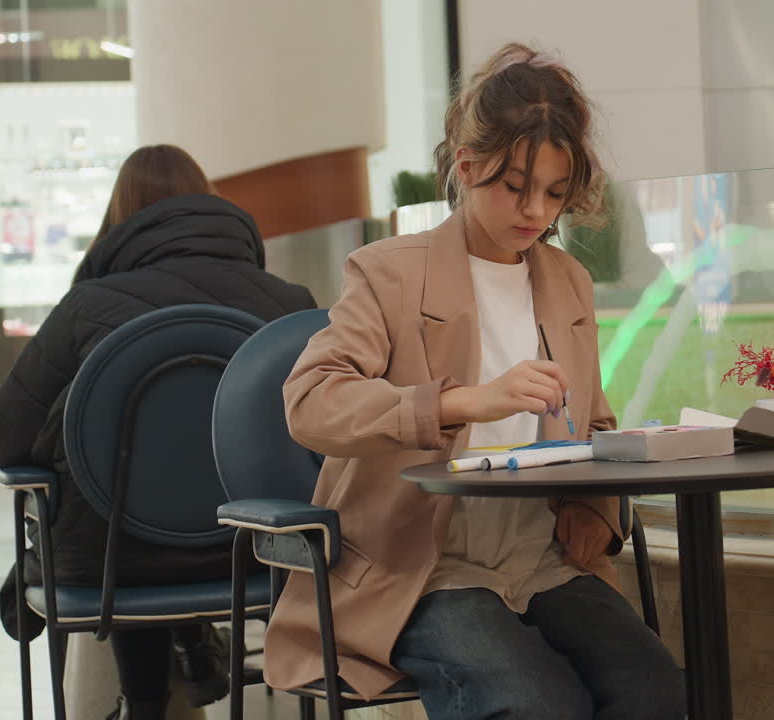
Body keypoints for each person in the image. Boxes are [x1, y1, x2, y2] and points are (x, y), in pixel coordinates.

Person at [262, 43, 687, 719]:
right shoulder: (387, 272)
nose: (535, 212)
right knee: (536, 702)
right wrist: (459, 401)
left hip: (537, 550)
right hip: (419, 561)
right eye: (514, 187)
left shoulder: (567, 281)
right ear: (466, 166)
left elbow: (593, 422)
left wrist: (594, 511)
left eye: (553, 193)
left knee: (654, 688)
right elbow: (311, 402)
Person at [0, 144, 317, 720]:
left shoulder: (86, 307)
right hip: (260, 556)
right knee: (171, 509)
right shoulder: (288, 304)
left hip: (110, 568)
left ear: (121, 220)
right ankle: (196, 653)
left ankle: (145, 703)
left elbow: (2, 439)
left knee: (126, 508)